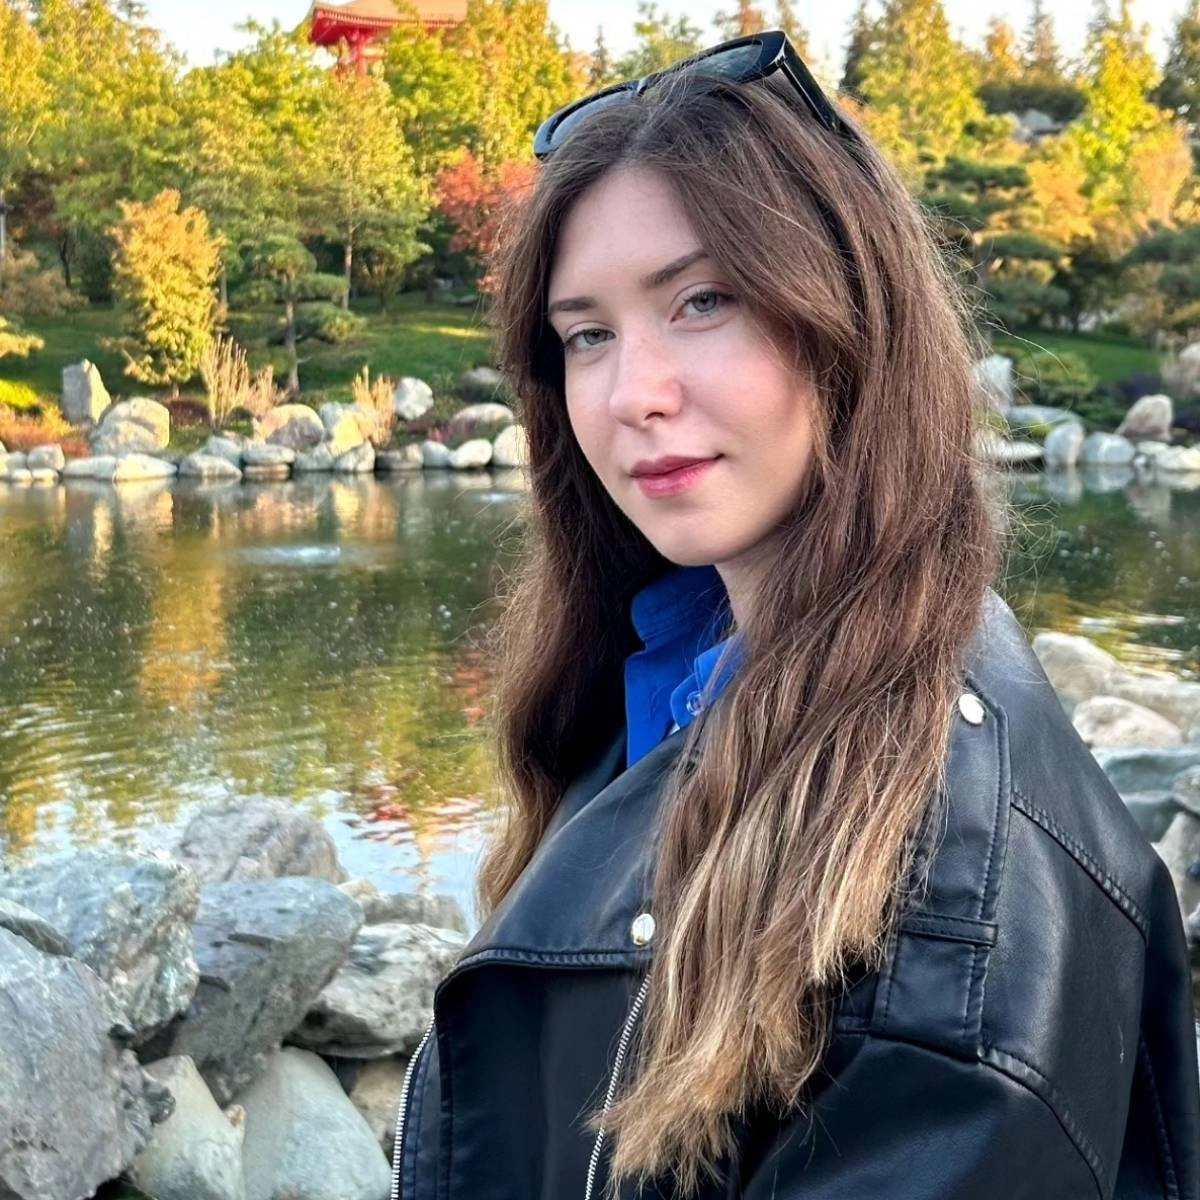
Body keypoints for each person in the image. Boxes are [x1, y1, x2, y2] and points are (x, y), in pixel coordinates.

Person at [391, 30, 1200, 1200]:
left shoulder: (948, 895)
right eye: (587, 334)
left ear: (850, 316)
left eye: (703, 301)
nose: (632, 394)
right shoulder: (663, 674)